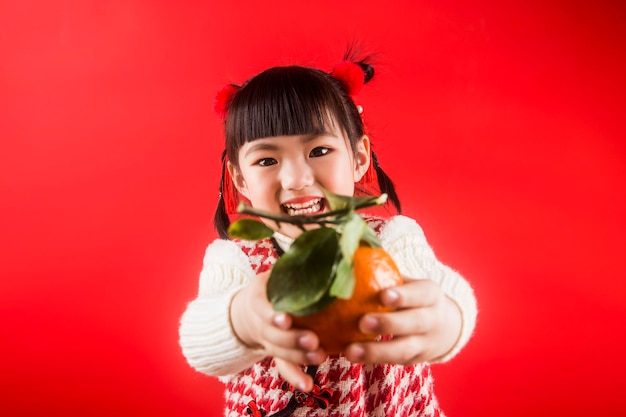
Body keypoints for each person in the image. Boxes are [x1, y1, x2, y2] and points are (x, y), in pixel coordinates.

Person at [179, 50, 478, 417]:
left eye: (319, 150)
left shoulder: (390, 241)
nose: (297, 179)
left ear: (359, 158)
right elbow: (198, 342)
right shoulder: (236, 260)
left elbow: (440, 288)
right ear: (240, 179)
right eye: (267, 160)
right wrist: (242, 317)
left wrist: (448, 319)